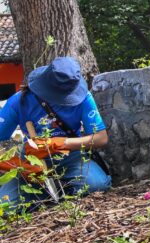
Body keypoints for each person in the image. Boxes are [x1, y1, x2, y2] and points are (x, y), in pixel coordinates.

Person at [0, 57, 111, 209]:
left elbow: (101, 138)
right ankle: (44, 192)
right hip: (32, 158)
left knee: (96, 185)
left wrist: (60, 143)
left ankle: (59, 189)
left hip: (71, 154)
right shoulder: (19, 101)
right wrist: (19, 166)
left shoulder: (84, 98)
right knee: (5, 205)